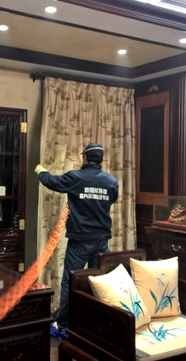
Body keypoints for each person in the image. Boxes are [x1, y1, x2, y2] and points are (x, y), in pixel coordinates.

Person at [35, 143, 119, 339]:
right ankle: (95, 324)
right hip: (101, 240)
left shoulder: (76, 177)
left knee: (70, 281)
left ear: (85, 158)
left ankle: (63, 325)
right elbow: (112, 199)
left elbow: (52, 182)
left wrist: (41, 171)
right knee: (98, 282)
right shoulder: (111, 181)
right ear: (102, 159)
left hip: (80, 240)